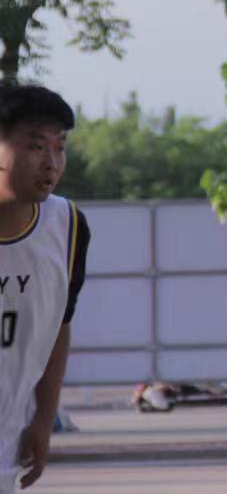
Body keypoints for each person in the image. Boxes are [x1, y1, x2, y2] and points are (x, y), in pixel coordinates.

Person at [0, 86, 90, 493]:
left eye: (59, 147)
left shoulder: (67, 227)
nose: (51, 163)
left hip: (7, 445)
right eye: (36, 146)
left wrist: (43, 417)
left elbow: (59, 323)